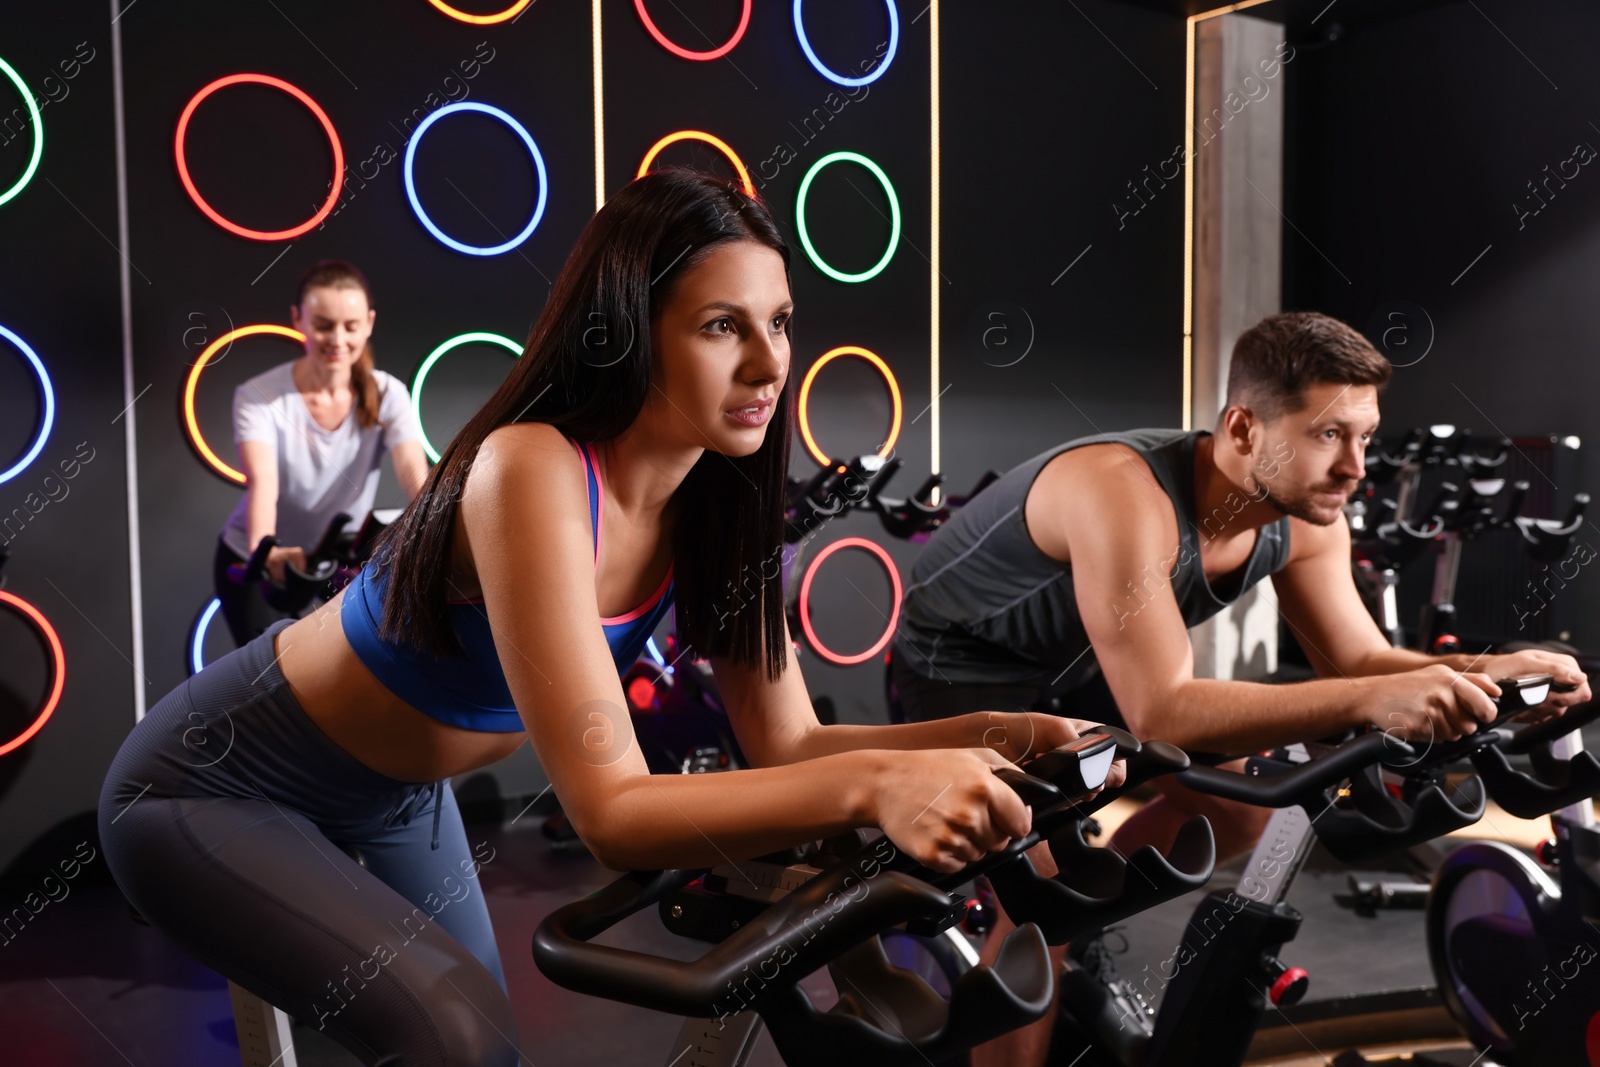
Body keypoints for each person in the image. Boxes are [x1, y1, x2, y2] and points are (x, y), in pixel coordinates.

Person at [99, 171, 1124, 1067]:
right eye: (724, 325)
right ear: (628, 328)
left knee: (478, 1049)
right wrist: (881, 782)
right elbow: (612, 809)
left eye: (779, 321)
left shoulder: (719, 503)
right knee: (460, 1040)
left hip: (399, 799)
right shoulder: (533, 467)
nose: (770, 363)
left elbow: (788, 741)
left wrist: (1006, 736)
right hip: (213, 780)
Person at [889, 310, 1592, 1067]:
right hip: (956, 666)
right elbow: (1163, 708)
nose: (1356, 465)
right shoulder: (1123, 493)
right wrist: (1374, 700)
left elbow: (1358, 659)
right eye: (1329, 435)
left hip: (1084, 663)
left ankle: (1092, 921)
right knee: (1050, 886)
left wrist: (1489, 669)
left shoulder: (1309, 515)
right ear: (1243, 428)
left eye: (1364, 435)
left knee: (1240, 810)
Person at [213, 259, 431, 646]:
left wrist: (441, 523)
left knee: (361, 666)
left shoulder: (387, 394)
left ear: (369, 323)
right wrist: (267, 552)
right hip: (259, 558)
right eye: (324, 325)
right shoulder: (258, 396)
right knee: (264, 680)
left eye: (350, 326)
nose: (338, 339)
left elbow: (415, 472)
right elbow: (263, 484)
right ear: (298, 319)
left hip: (337, 557)